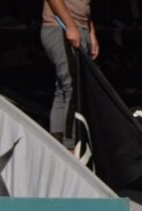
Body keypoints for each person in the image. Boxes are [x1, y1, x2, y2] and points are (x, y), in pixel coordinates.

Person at [41, 0, 99, 149]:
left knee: (63, 89)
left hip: (79, 27)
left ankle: (57, 143)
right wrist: (70, 26)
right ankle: (69, 145)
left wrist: (90, 31)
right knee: (72, 88)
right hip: (61, 26)